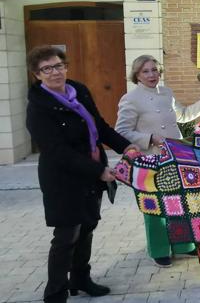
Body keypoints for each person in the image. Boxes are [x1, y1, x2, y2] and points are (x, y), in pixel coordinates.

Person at [25, 46, 137, 303]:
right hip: (63, 180)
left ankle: (80, 279)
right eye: (47, 68)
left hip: (90, 174)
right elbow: (57, 152)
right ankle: (55, 293)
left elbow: (100, 126)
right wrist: (99, 171)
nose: (55, 72)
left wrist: (125, 145)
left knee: (87, 226)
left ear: (66, 66)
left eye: (59, 66)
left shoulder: (79, 91)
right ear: (37, 74)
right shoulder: (38, 108)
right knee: (66, 236)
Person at [116, 55, 200, 267]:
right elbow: (121, 131)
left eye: (154, 70)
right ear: (137, 75)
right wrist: (149, 139)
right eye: (146, 71)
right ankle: (159, 249)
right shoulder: (130, 98)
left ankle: (184, 246)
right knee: (154, 206)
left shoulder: (166, 93)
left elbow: (184, 115)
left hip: (175, 157)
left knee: (178, 201)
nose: (152, 75)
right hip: (150, 159)